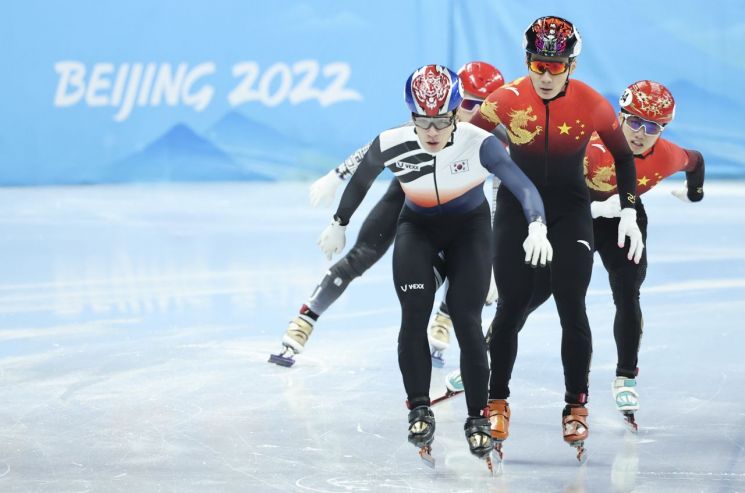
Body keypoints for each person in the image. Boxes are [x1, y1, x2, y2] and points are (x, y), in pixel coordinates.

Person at [318, 64, 551, 464]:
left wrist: (537, 225)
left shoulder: (480, 142)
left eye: (442, 121)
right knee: (414, 315)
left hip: (469, 232)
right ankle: (419, 407)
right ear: (411, 115)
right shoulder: (391, 142)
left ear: (456, 111)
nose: (432, 132)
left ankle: (477, 418)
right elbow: (361, 179)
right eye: (423, 121)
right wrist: (339, 223)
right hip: (418, 231)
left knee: (467, 319)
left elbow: (522, 184)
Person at [468, 16, 642, 461]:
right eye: (538, 65)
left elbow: (624, 158)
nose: (545, 76)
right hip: (514, 210)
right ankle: (497, 400)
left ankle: (575, 403)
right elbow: (466, 146)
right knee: (510, 306)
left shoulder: (592, 103)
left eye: (556, 67)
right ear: (528, 60)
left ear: (572, 66)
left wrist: (627, 211)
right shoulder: (503, 99)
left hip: (569, 213)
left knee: (572, 305)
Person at [268, 62, 506, 368]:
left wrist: (495, 266)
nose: (479, 114)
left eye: (489, 107)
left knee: (468, 259)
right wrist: (336, 177)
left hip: (456, 210)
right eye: (472, 103)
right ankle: (305, 319)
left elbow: (499, 200)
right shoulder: (434, 120)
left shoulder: (497, 138)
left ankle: (444, 319)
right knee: (362, 255)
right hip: (408, 201)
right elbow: (376, 149)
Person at [587, 80, 705, 430]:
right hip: (579, 214)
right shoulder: (589, 143)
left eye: (652, 126)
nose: (641, 133)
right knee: (540, 286)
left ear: (662, 129)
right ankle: (491, 348)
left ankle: (626, 376)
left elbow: (696, 162)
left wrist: (694, 194)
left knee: (627, 292)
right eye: (634, 122)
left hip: (625, 220)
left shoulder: (666, 154)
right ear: (620, 116)